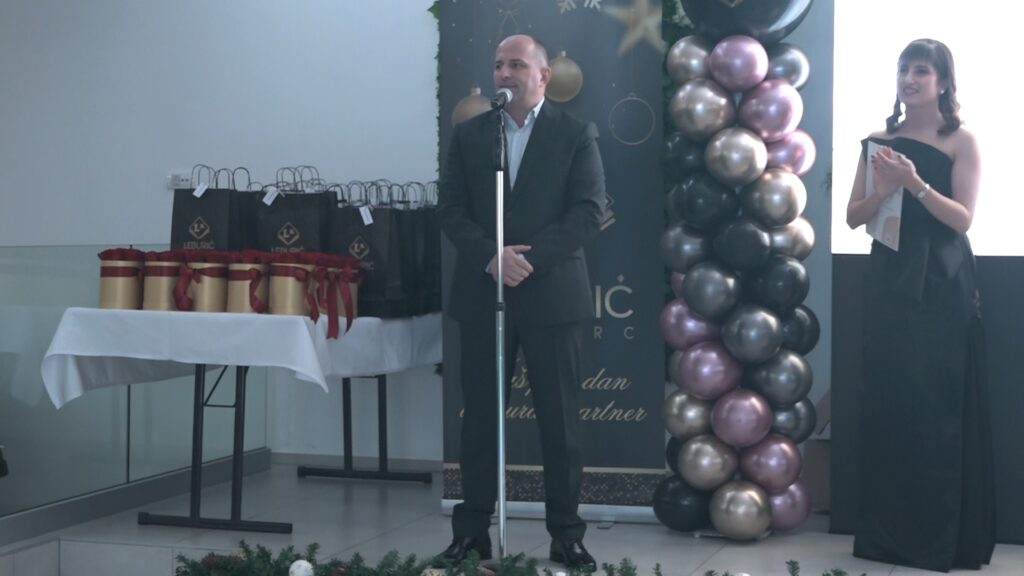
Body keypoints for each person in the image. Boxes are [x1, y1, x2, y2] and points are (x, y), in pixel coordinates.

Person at [435, 34, 606, 571]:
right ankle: (472, 533)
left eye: (516, 64)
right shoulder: (471, 135)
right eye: (498, 65)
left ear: (543, 76)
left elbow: (589, 210)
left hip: (552, 294)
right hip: (483, 292)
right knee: (480, 421)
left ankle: (566, 535)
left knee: (560, 422)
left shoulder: (575, 133)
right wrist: (491, 257)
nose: (504, 73)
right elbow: (450, 208)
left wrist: (526, 260)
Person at [846, 38, 995, 572]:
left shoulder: (962, 141)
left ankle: (937, 541)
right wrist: (884, 187)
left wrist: (914, 184)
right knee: (890, 401)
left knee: (935, 406)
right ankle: (887, 537)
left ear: (943, 81)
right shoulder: (878, 141)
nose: (909, 79)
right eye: (903, 69)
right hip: (889, 280)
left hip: (942, 282)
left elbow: (963, 219)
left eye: (921, 71)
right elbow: (854, 217)